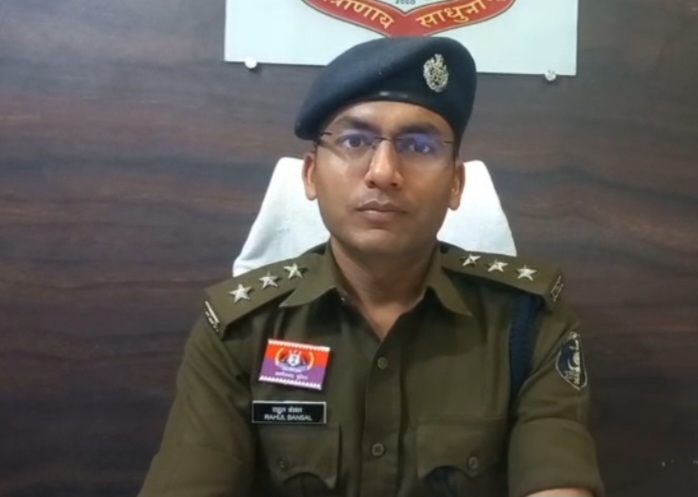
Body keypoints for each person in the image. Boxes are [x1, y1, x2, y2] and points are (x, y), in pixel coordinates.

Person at [139, 36, 604, 497]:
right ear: (311, 175)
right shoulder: (240, 330)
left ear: (456, 184)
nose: (383, 172)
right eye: (355, 140)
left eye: (418, 146)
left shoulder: (526, 324)